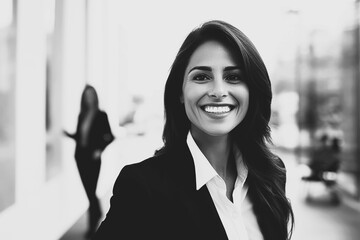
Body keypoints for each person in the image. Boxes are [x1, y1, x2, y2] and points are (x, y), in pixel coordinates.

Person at [94, 20, 294, 240]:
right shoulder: (142, 187)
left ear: (252, 90)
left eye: (233, 77)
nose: (218, 91)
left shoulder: (272, 172)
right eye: (201, 77)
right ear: (180, 92)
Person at [64, 85, 114, 239]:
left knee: (91, 191)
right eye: (86, 95)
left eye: (91, 95)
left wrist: (99, 149)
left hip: (93, 159)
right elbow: (80, 137)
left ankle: (92, 226)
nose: (88, 98)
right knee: (89, 191)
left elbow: (110, 136)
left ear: (95, 96)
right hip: (80, 156)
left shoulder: (101, 115)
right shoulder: (82, 115)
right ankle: (97, 212)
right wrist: (68, 135)